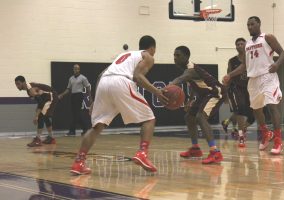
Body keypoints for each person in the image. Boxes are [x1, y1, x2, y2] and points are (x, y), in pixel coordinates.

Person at [70, 35, 168, 175]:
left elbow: (100, 75)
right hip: (121, 82)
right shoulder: (148, 56)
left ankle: (78, 163)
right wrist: (157, 92)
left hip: (104, 83)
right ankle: (142, 153)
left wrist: (95, 101)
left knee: (97, 126)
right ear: (152, 48)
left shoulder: (124, 55)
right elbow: (138, 77)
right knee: (149, 118)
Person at [223, 16, 284, 154]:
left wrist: (276, 64)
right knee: (257, 110)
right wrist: (230, 75)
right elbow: (244, 66)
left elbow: (282, 53)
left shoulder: (267, 37)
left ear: (259, 24)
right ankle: (265, 134)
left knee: (272, 106)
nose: (250, 27)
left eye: (252, 24)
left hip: (268, 77)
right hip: (253, 80)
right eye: (248, 25)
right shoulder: (247, 44)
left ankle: (278, 142)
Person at [170, 46, 226, 164]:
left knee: (200, 117)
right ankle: (195, 149)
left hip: (215, 93)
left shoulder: (191, 69)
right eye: (174, 55)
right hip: (204, 95)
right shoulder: (188, 69)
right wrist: (190, 101)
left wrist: (166, 88)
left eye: (178, 55)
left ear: (186, 57)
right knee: (189, 117)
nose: (175, 58)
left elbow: (180, 79)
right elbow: (195, 85)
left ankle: (215, 152)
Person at [223, 38, 255, 147]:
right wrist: (226, 94)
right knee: (240, 110)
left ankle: (241, 129)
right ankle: (241, 136)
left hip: (250, 88)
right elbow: (228, 77)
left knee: (253, 115)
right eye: (238, 44)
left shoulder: (252, 58)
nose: (240, 45)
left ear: (246, 45)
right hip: (235, 88)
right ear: (236, 47)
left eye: (242, 43)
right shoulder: (232, 61)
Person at [14, 76, 58, 147]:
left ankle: (38, 139)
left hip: (51, 96)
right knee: (45, 116)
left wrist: (36, 116)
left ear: (24, 82)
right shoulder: (29, 89)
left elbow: (41, 103)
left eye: (18, 84)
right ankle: (51, 138)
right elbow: (40, 102)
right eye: (16, 84)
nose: (17, 86)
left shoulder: (31, 89)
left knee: (40, 115)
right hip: (47, 98)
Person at [58, 64, 92, 136]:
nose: (76, 70)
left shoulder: (83, 78)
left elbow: (88, 87)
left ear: (79, 70)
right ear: (73, 69)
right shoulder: (71, 78)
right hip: (73, 96)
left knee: (76, 113)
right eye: (75, 69)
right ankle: (85, 129)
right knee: (76, 114)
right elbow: (68, 89)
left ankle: (72, 131)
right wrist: (62, 95)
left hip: (79, 95)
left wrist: (90, 97)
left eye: (77, 69)